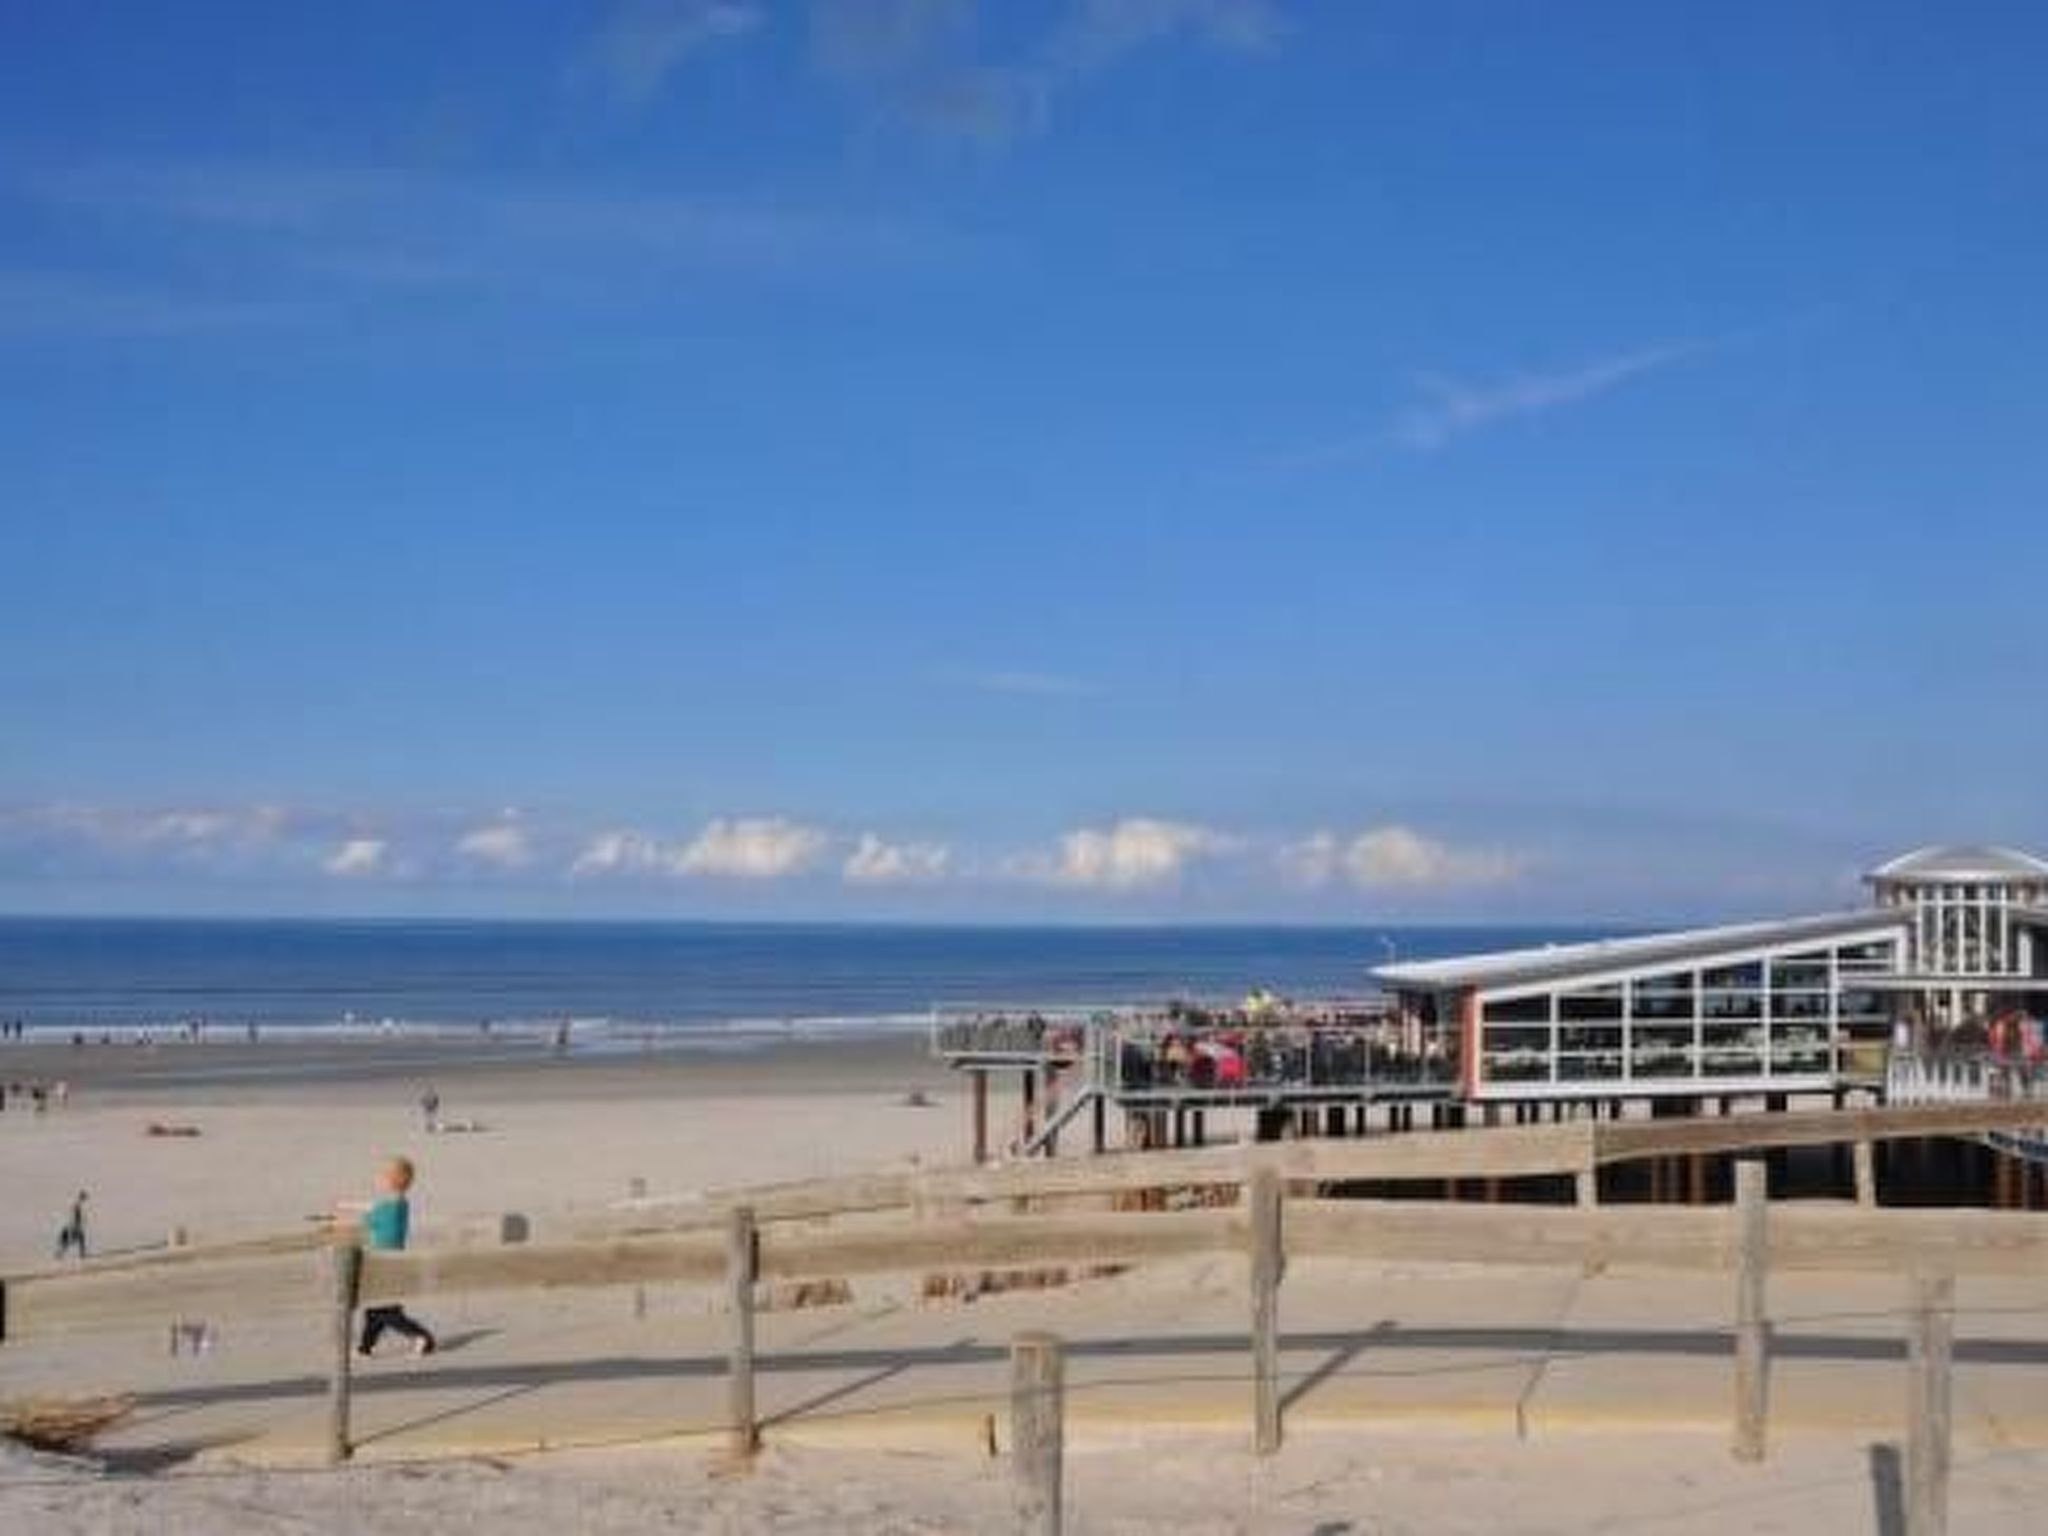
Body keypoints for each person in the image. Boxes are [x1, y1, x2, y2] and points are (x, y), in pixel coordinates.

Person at [342, 1157, 437, 1357]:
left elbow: (364, 1220)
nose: (378, 1180)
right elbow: (372, 1207)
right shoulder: (401, 1204)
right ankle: (364, 1348)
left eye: (382, 1177)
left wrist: (335, 1223)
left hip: (383, 1265)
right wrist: (347, 1204)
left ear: (390, 1181)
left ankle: (422, 1337)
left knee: (386, 1311)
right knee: (376, 1310)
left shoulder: (386, 1209)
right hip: (393, 1263)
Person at [55, 1190, 88, 1260]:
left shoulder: (77, 1204)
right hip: (73, 1226)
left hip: (71, 1226)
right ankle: (82, 1254)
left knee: (74, 1240)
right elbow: (77, 1216)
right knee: (79, 1239)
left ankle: (59, 1254)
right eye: (84, 1197)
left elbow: (76, 1216)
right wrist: (77, 1226)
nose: (85, 1199)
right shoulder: (77, 1205)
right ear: (82, 1197)